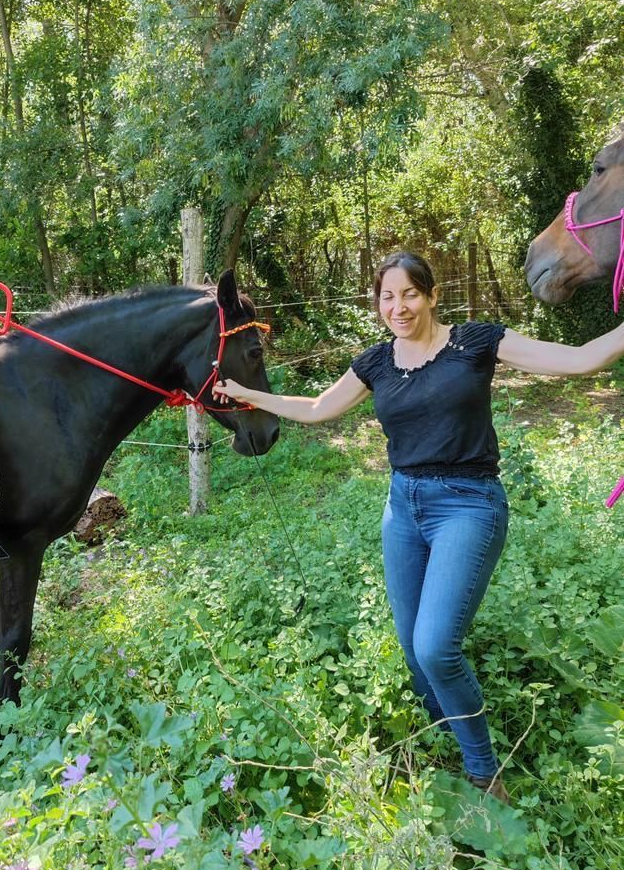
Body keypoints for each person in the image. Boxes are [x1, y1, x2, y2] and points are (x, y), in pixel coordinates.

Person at [213, 250, 624, 802]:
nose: (398, 306)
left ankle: (483, 772)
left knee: (434, 647)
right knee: (411, 648)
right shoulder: (377, 363)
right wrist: (246, 394)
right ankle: (443, 729)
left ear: (431, 295)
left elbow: (581, 358)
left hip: (469, 505)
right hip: (403, 509)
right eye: (387, 296)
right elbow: (316, 408)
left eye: (409, 293)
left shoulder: (478, 342)